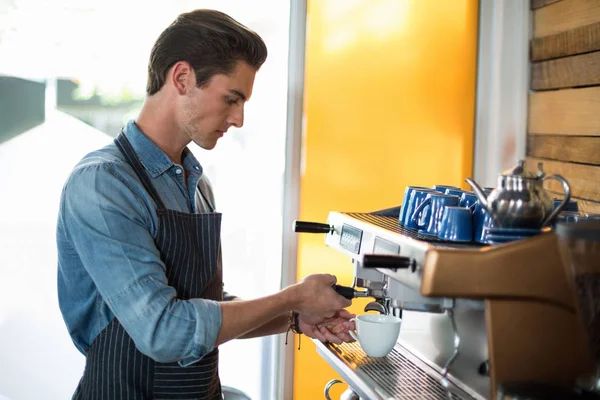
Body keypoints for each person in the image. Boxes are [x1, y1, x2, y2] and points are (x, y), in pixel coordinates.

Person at [56, 9, 355, 400]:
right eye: (231, 99)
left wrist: (295, 318)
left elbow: (210, 308)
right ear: (182, 78)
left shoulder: (197, 185)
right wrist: (291, 297)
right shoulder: (104, 184)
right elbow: (164, 331)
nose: (239, 118)